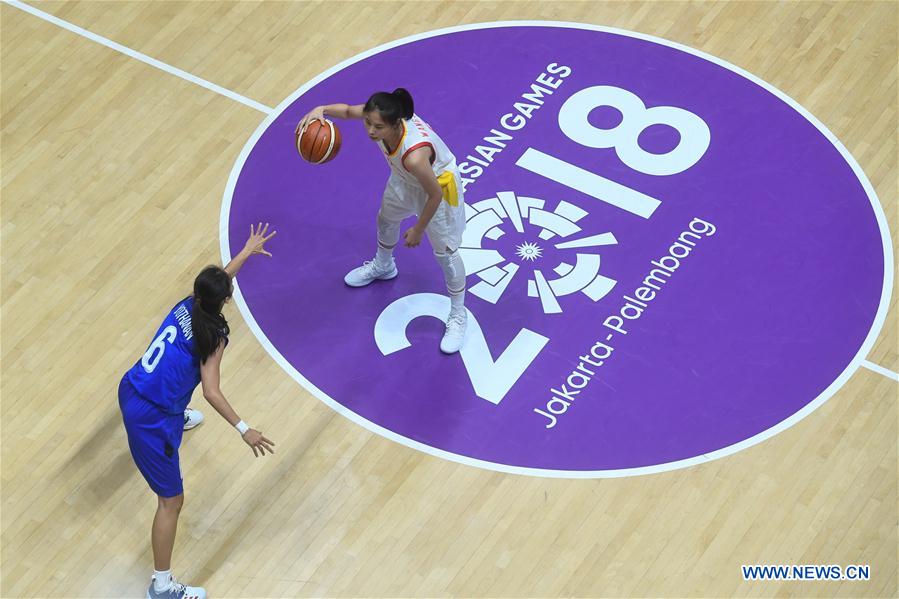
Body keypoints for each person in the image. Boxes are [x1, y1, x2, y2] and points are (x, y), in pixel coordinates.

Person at [118, 223, 277, 599]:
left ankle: (177, 413)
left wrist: (245, 252)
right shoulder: (214, 336)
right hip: (150, 418)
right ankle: (161, 586)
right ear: (224, 301)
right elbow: (212, 391)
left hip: (131, 385)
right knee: (172, 501)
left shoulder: (187, 303)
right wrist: (244, 428)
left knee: (175, 386)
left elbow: (217, 283)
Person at [296, 88, 468, 353]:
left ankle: (458, 315)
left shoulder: (414, 155)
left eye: (377, 127)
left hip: (438, 191)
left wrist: (418, 230)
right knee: (385, 219)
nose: (370, 131)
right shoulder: (380, 114)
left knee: (446, 253)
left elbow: (433, 194)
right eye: (368, 123)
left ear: (396, 124)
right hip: (404, 180)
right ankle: (384, 265)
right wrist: (321, 109)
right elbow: (347, 111)